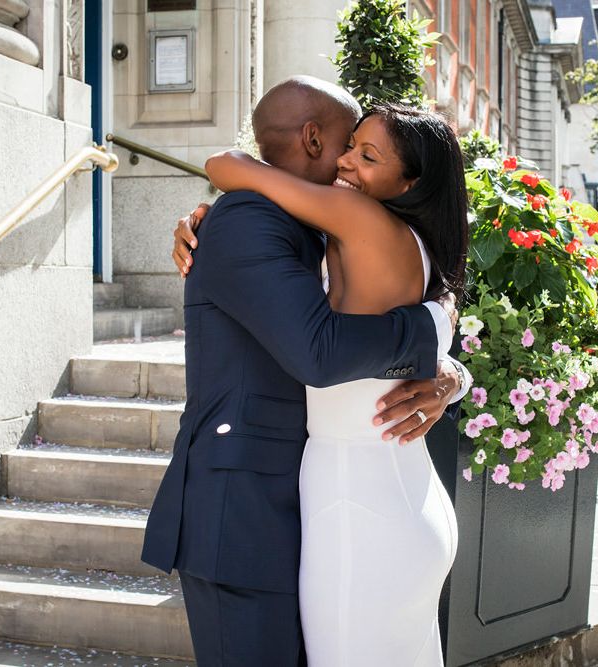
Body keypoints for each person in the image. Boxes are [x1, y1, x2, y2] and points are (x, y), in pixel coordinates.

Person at [143, 76, 471, 667]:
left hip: (327, 507)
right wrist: (430, 332)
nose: (349, 161)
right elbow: (319, 355)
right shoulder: (249, 219)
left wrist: (449, 372)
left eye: (365, 153)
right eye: (350, 142)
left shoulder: (329, 226)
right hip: (242, 519)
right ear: (315, 138)